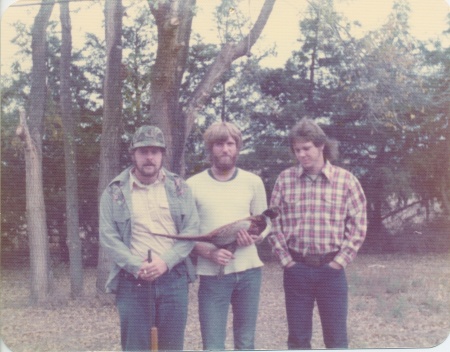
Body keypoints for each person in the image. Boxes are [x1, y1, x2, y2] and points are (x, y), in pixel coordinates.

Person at [268, 117, 367, 349]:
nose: (302, 155)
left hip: (331, 271)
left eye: (307, 148)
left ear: (321, 145)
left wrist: (339, 262)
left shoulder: (346, 181)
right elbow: (273, 223)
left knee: (336, 339)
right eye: (297, 150)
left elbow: (358, 225)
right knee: (298, 339)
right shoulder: (285, 180)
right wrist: (287, 262)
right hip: (297, 270)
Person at [99, 125, 199, 351]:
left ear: (162, 155)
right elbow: (108, 236)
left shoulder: (179, 187)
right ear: (133, 154)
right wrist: (137, 266)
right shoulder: (114, 192)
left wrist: (165, 262)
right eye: (143, 151)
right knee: (135, 347)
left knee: (171, 347)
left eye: (155, 151)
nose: (149, 157)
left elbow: (191, 229)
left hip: (174, 279)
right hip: (133, 281)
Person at [187, 121, 269, 350]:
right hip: (212, 277)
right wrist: (210, 252)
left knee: (245, 342)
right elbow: (187, 235)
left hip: (249, 273)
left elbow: (265, 223)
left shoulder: (252, 182)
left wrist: (254, 238)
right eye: (219, 144)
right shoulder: (193, 185)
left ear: (238, 147)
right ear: (210, 148)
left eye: (230, 144)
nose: (225, 149)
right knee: (213, 344)